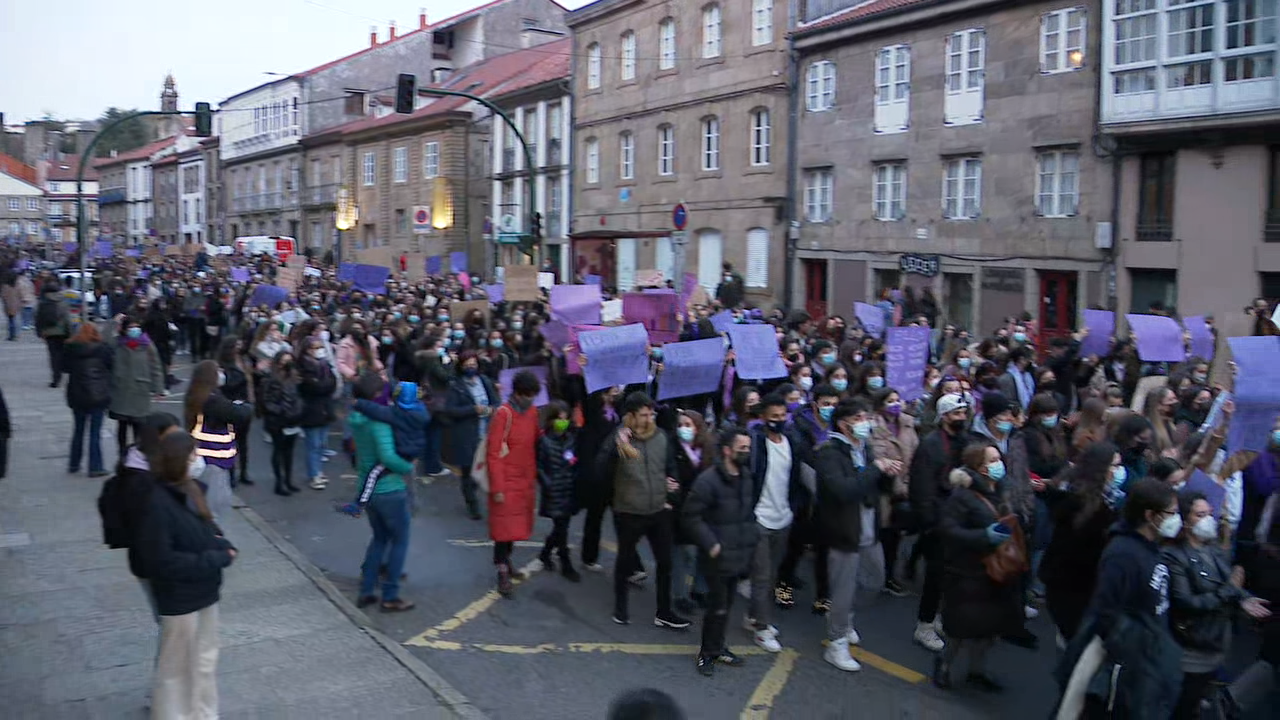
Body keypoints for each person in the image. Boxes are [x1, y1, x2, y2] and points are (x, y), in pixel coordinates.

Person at [1054, 478, 1184, 718]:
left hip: (1144, 655)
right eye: (1171, 513)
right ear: (1150, 515)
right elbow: (1106, 611)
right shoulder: (1123, 554)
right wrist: (1131, 647)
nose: (1177, 519)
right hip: (1122, 663)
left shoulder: (1150, 548)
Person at [133, 430, 236, 720]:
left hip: (205, 593)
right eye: (193, 454)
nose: (198, 459)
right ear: (180, 460)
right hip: (179, 599)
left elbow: (208, 529)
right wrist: (215, 558)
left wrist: (222, 544)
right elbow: (162, 561)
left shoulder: (192, 490)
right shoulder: (156, 503)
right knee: (176, 670)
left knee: (205, 661)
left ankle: (204, 714)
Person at [1163, 491, 1271, 719]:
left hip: (1215, 642)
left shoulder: (1210, 548)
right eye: (1200, 515)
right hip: (1192, 646)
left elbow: (1227, 583)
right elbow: (1188, 602)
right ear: (1185, 519)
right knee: (1182, 704)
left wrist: (1243, 598)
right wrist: (1232, 590)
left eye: (1209, 513)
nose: (1207, 519)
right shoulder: (1174, 556)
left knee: (1194, 701)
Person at [932, 442, 1025, 691]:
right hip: (967, 571)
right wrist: (984, 536)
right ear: (979, 467)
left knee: (989, 626)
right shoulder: (963, 496)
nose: (998, 464)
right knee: (961, 625)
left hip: (996, 571)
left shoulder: (1003, 489)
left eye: (998, 458)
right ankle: (944, 664)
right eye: (992, 460)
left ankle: (977, 671)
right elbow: (948, 530)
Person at [814, 398, 897, 672]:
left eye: (866, 417)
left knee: (874, 580)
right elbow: (843, 490)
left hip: (869, 526)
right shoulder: (829, 453)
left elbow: (876, 487)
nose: (866, 423)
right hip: (844, 530)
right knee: (843, 589)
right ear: (844, 423)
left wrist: (888, 473)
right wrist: (875, 470)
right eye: (860, 418)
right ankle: (836, 641)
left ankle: (845, 616)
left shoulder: (865, 448)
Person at [597, 391, 690, 629]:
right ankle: (621, 608)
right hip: (629, 511)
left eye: (651, 414)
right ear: (630, 416)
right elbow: (599, 470)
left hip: (659, 509)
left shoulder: (662, 437)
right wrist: (618, 446)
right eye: (643, 415)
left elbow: (671, 469)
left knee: (665, 562)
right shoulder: (618, 439)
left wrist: (673, 490)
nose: (649, 419)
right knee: (625, 560)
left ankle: (664, 611)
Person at [683, 426, 756, 677]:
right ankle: (707, 653)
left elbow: (746, 516)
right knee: (717, 607)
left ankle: (718, 646)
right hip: (717, 557)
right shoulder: (708, 481)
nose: (747, 452)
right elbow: (691, 517)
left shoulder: (746, 477)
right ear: (727, 451)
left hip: (738, 554)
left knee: (727, 605)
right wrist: (711, 544)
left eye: (748, 448)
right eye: (742, 448)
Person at [745, 393, 812, 652]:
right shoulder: (754, 443)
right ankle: (762, 628)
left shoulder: (792, 442)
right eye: (774, 417)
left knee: (771, 573)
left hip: (783, 517)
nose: (779, 421)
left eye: (783, 416)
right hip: (759, 518)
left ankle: (753, 616)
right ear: (762, 418)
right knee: (762, 576)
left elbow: (799, 478)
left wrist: (793, 509)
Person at [1038, 442, 1123, 643]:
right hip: (1073, 584)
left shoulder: (1100, 500)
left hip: (1073, 582)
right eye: (1114, 466)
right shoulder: (1082, 505)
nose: (1119, 472)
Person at [908, 393, 972, 652]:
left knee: (949, 575)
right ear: (944, 416)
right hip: (937, 520)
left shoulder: (963, 442)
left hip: (956, 518)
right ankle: (924, 625)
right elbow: (921, 487)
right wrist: (930, 521)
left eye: (964, 413)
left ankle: (936, 617)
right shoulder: (930, 444)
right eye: (957, 414)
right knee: (935, 575)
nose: (962, 418)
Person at [347, 372, 416, 612]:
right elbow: (387, 456)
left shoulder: (357, 418)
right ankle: (390, 595)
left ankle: (367, 591)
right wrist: (408, 467)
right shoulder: (379, 422)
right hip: (390, 489)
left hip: (368, 488)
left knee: (379, 538)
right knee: (399, 542)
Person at [486, 370, 541, 596]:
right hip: (506, 479)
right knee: (503, 529)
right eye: (527, 395)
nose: (530, 400)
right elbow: (494, 452)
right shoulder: (504, 414)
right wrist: (497, 487)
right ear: (517, 394)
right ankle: (501, 571)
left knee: (515, 527)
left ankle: (506, 562)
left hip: (525, 478)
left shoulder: (533, 412)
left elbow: (536, 439)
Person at [184, 360, 253, 523]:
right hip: (215, 458)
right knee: (214, 504)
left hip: (202, 454)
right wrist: (245, 406)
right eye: (218, 371)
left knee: (201, 496)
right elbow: (239, 414)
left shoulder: (196, 395)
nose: (222, 374)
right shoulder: (212, 400)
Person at [868, 387, 918, 597]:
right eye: (890, 400)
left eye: (898, 400)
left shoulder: (907, 423)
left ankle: (890, 575)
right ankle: (880, 576)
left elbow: (915, 451)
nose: (896, 404)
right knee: (883, 535)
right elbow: (876, 457)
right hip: (885, 491)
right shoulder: (873, 427)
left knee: (896, 537)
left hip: (907, 486)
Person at [444, 351, 501, 520]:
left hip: (486, 431)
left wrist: (493, 409)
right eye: (467, 365)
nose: (471, 368)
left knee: (484, 468)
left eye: (474, 365)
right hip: (467, 433)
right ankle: (472, 503)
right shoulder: (456, 386)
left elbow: (496, 401)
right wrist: (472, 410)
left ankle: (475, 492)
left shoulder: (484, 381)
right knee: (468, 470)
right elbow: (451, 410)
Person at [536, 400, 581, 582]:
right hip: (554, 489)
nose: (563, 420)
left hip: (568, 488)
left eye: (565, 417)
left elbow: (573, 460)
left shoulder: (570, 438)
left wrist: (573, 467)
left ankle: (546, 553)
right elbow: (538, 466)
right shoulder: (544, 440)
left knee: (561, 526)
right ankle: (565, 562)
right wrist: (548, 483)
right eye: (559, 417)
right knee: (562, 527)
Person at [63, 322, 114, 477]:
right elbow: (111, 365)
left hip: (77, 394)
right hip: (98, 394)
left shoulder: (70, 349)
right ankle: (95, 466)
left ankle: (74, 463)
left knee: (78, 430)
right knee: (94, 433)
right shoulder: (103, 349)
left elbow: (64, 368)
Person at [110, 315, 165, 458]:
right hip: (121, 390)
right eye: (131, 327)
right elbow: (104, 341)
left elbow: (156, 367)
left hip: (140, 390)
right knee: (122, 426)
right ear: (124, 329)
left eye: (137, 327)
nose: (134, 330)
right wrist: (113, 323)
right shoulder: (117, 343)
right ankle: (122, 454)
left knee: (138, 427)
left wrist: (158, 389)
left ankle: (137, 455)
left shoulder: (147, 345)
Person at [259, 350, 305, 496]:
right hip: (277, 421)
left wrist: (297, 410)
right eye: (284, 361)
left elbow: (298, 397)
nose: (286, 364)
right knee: (278, 451)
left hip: (292, 420)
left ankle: (288, 480)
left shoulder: (294, 378)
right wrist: (281, 411)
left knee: (289, 452)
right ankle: (279, 483)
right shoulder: (270, 379)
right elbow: (266, 402)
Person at [297, 336, 338, 490]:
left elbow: (332, 382)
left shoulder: (324, 365)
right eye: (315, 347)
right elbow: (314, 387)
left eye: (320, 347)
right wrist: (324, 385)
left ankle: (318, 471)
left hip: (325, 408)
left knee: (321, 444)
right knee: (313, 445)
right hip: (311, 410)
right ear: (307, 350)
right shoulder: (302, 367)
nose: (319, 350)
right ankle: (314, 474)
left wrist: (324, 385)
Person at [215, 337, 255, 486]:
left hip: (244, 404)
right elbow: (226, 385)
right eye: (236, 345)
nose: (240, 347)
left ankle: (244, 472)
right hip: (230, 405)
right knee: (230, 442)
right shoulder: (223, 366)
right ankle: (231, 474)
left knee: (243, 442)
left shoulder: (243, 360)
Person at [35, 280, 72, 387]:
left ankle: (56, 378)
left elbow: (38, 319)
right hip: (62, 333)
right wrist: (70, 333)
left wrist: (39, 332)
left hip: (48, 333)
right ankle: (63, 371)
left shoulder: (42, 303)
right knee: (62, 354)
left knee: (53, 356)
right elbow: (67, 319)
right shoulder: (63, 302)